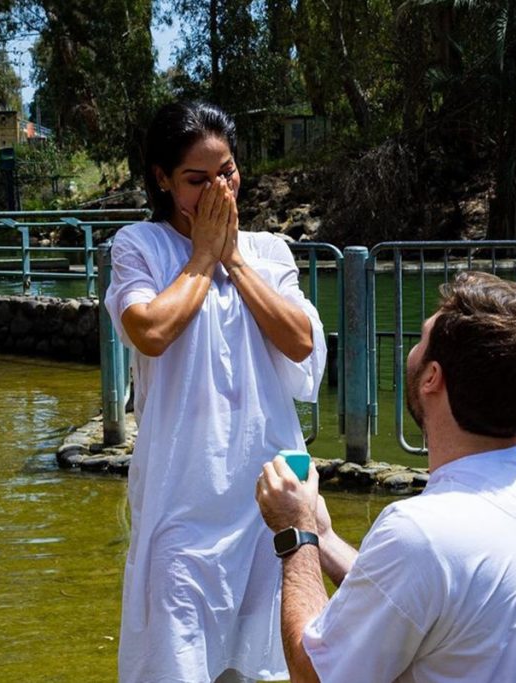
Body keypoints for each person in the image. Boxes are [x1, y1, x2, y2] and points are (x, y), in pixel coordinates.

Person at [256, 271, 516, 683]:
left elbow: (312, 675)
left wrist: (297, 535)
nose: (411, 351)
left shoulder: (421, 533)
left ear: (432, 377)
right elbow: (424, 598)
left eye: (420, 339)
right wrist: (325, 538)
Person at [105, 101, 326, 683]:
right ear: (162, 179)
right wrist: (204, 256)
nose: (217, 191)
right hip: (181, 499)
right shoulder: (139, 247)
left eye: (225, 173)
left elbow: (301, 340)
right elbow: (149, 331)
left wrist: (233, 258)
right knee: (175, 659)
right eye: (196, 180)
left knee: (271, 665)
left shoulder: (269, 252)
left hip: (268, 495)